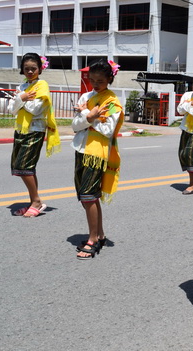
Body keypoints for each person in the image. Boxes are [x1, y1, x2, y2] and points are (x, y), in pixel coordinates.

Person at [71, 60, 124, 259]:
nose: (95, 84)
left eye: (100, 81)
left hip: (97, 153)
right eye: (92, 80)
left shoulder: (112, 102)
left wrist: (87, 114)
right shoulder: (86, 97)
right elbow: (75, 126)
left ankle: (92, 239)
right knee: (87, 197)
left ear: (110, 79)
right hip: (81, 148)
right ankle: (99, 234)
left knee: (88, 196)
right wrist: (90, 117)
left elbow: (108, 130)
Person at [8, 53, 61, 217]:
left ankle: (36, 201)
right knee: (24, 168)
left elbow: (36, 109)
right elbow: (11, 109)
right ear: (22, 70)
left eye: (33, 68)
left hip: (35, 130)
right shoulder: (22, 86)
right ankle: (34, 201)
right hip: (21, 129)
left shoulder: (42, 85)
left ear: (40, 69)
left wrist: (19, 99)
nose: (30, 72)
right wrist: (23, 98)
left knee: (23, 166)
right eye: (26, 69)